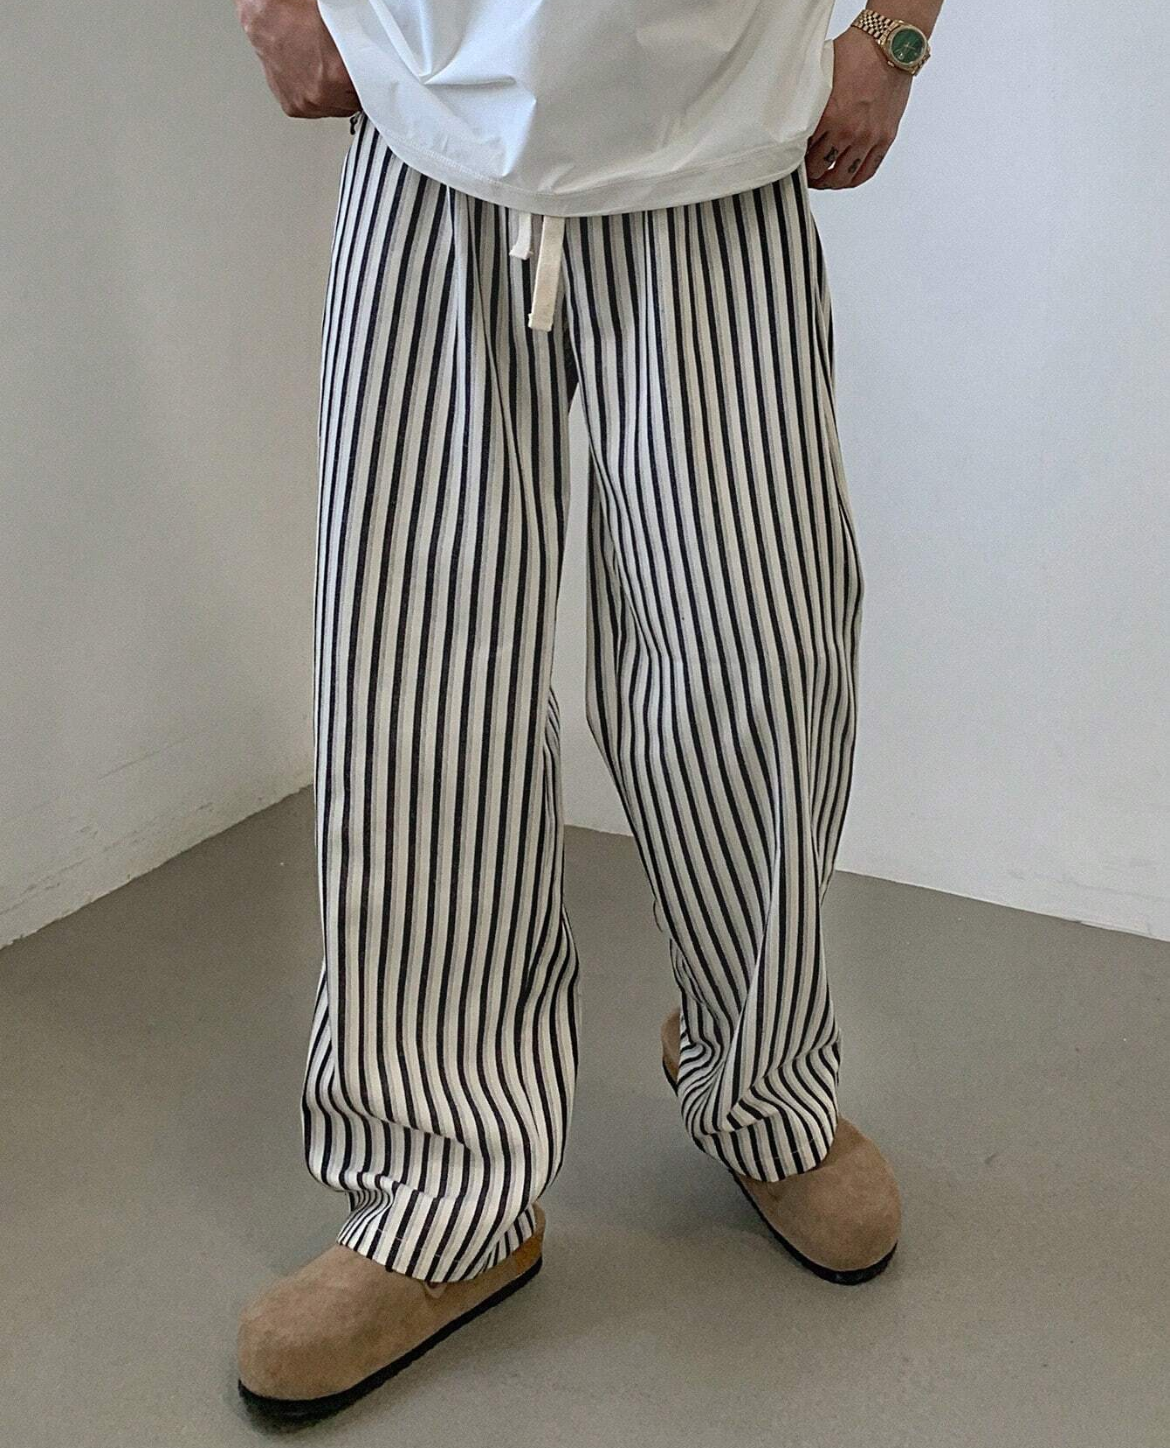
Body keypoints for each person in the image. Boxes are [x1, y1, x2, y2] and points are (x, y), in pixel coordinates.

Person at [232, 0, 941, 1420]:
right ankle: (444, 1188)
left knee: (756, 663)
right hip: (424, 116)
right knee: (417, 681)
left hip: (719, 136)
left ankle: (763, 1078)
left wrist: (897, 31)